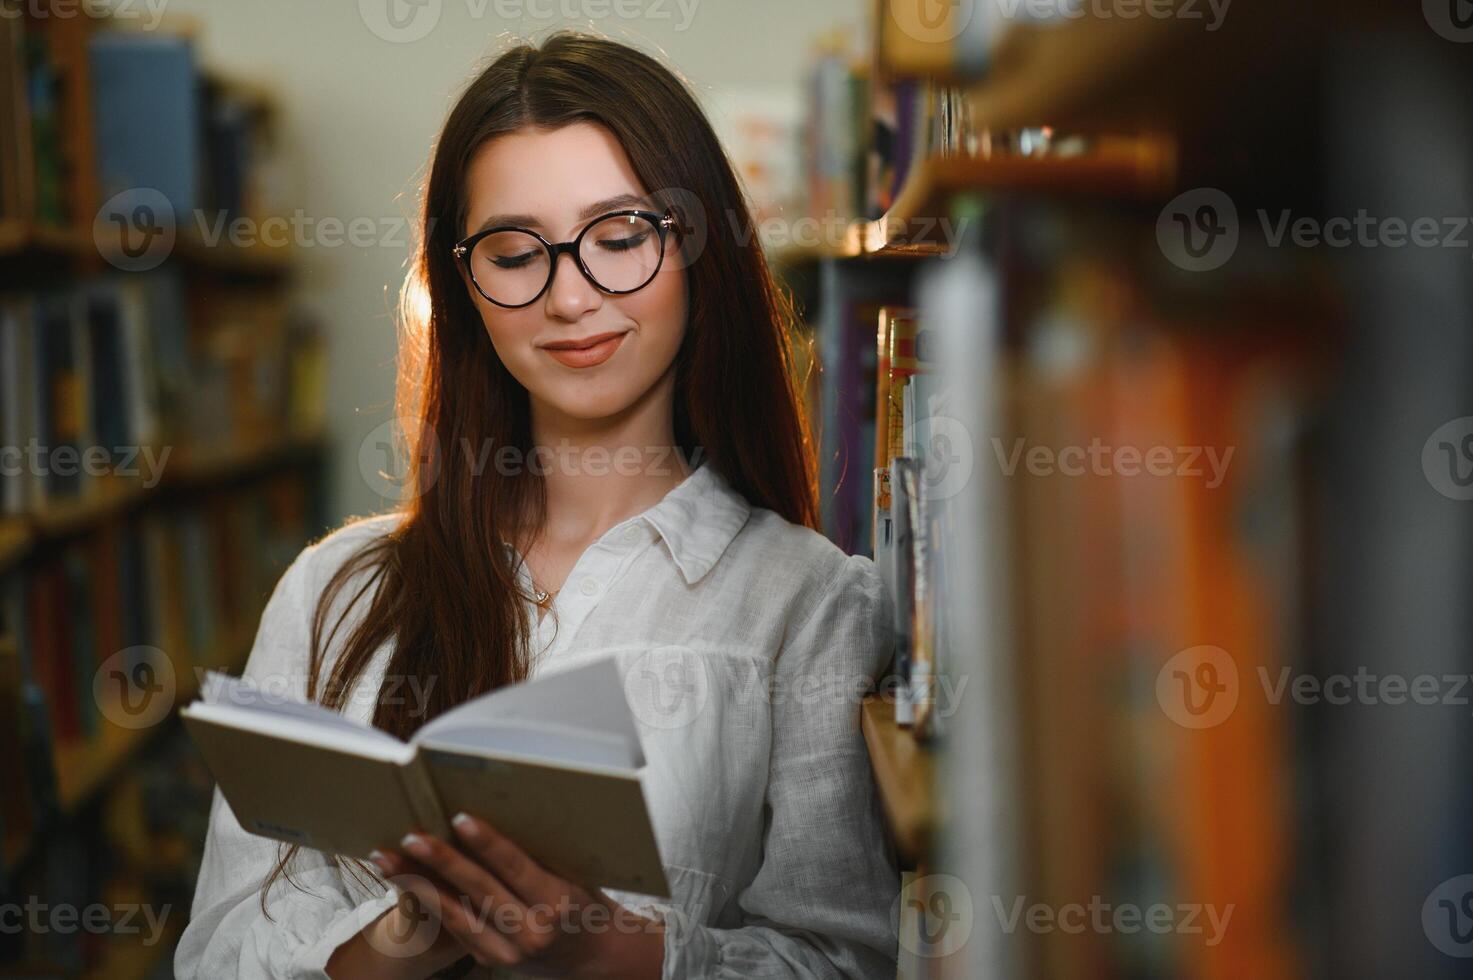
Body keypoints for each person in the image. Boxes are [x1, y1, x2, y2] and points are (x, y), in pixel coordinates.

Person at [175, 30, 898, 980]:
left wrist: (606, 951)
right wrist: (413, 932)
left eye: (621, 238)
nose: (570, 297)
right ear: (463, 284)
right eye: (516, 253)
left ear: (698, 249)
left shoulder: (809, 604)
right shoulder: (333, 590)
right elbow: (217, 952)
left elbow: (847, 960)